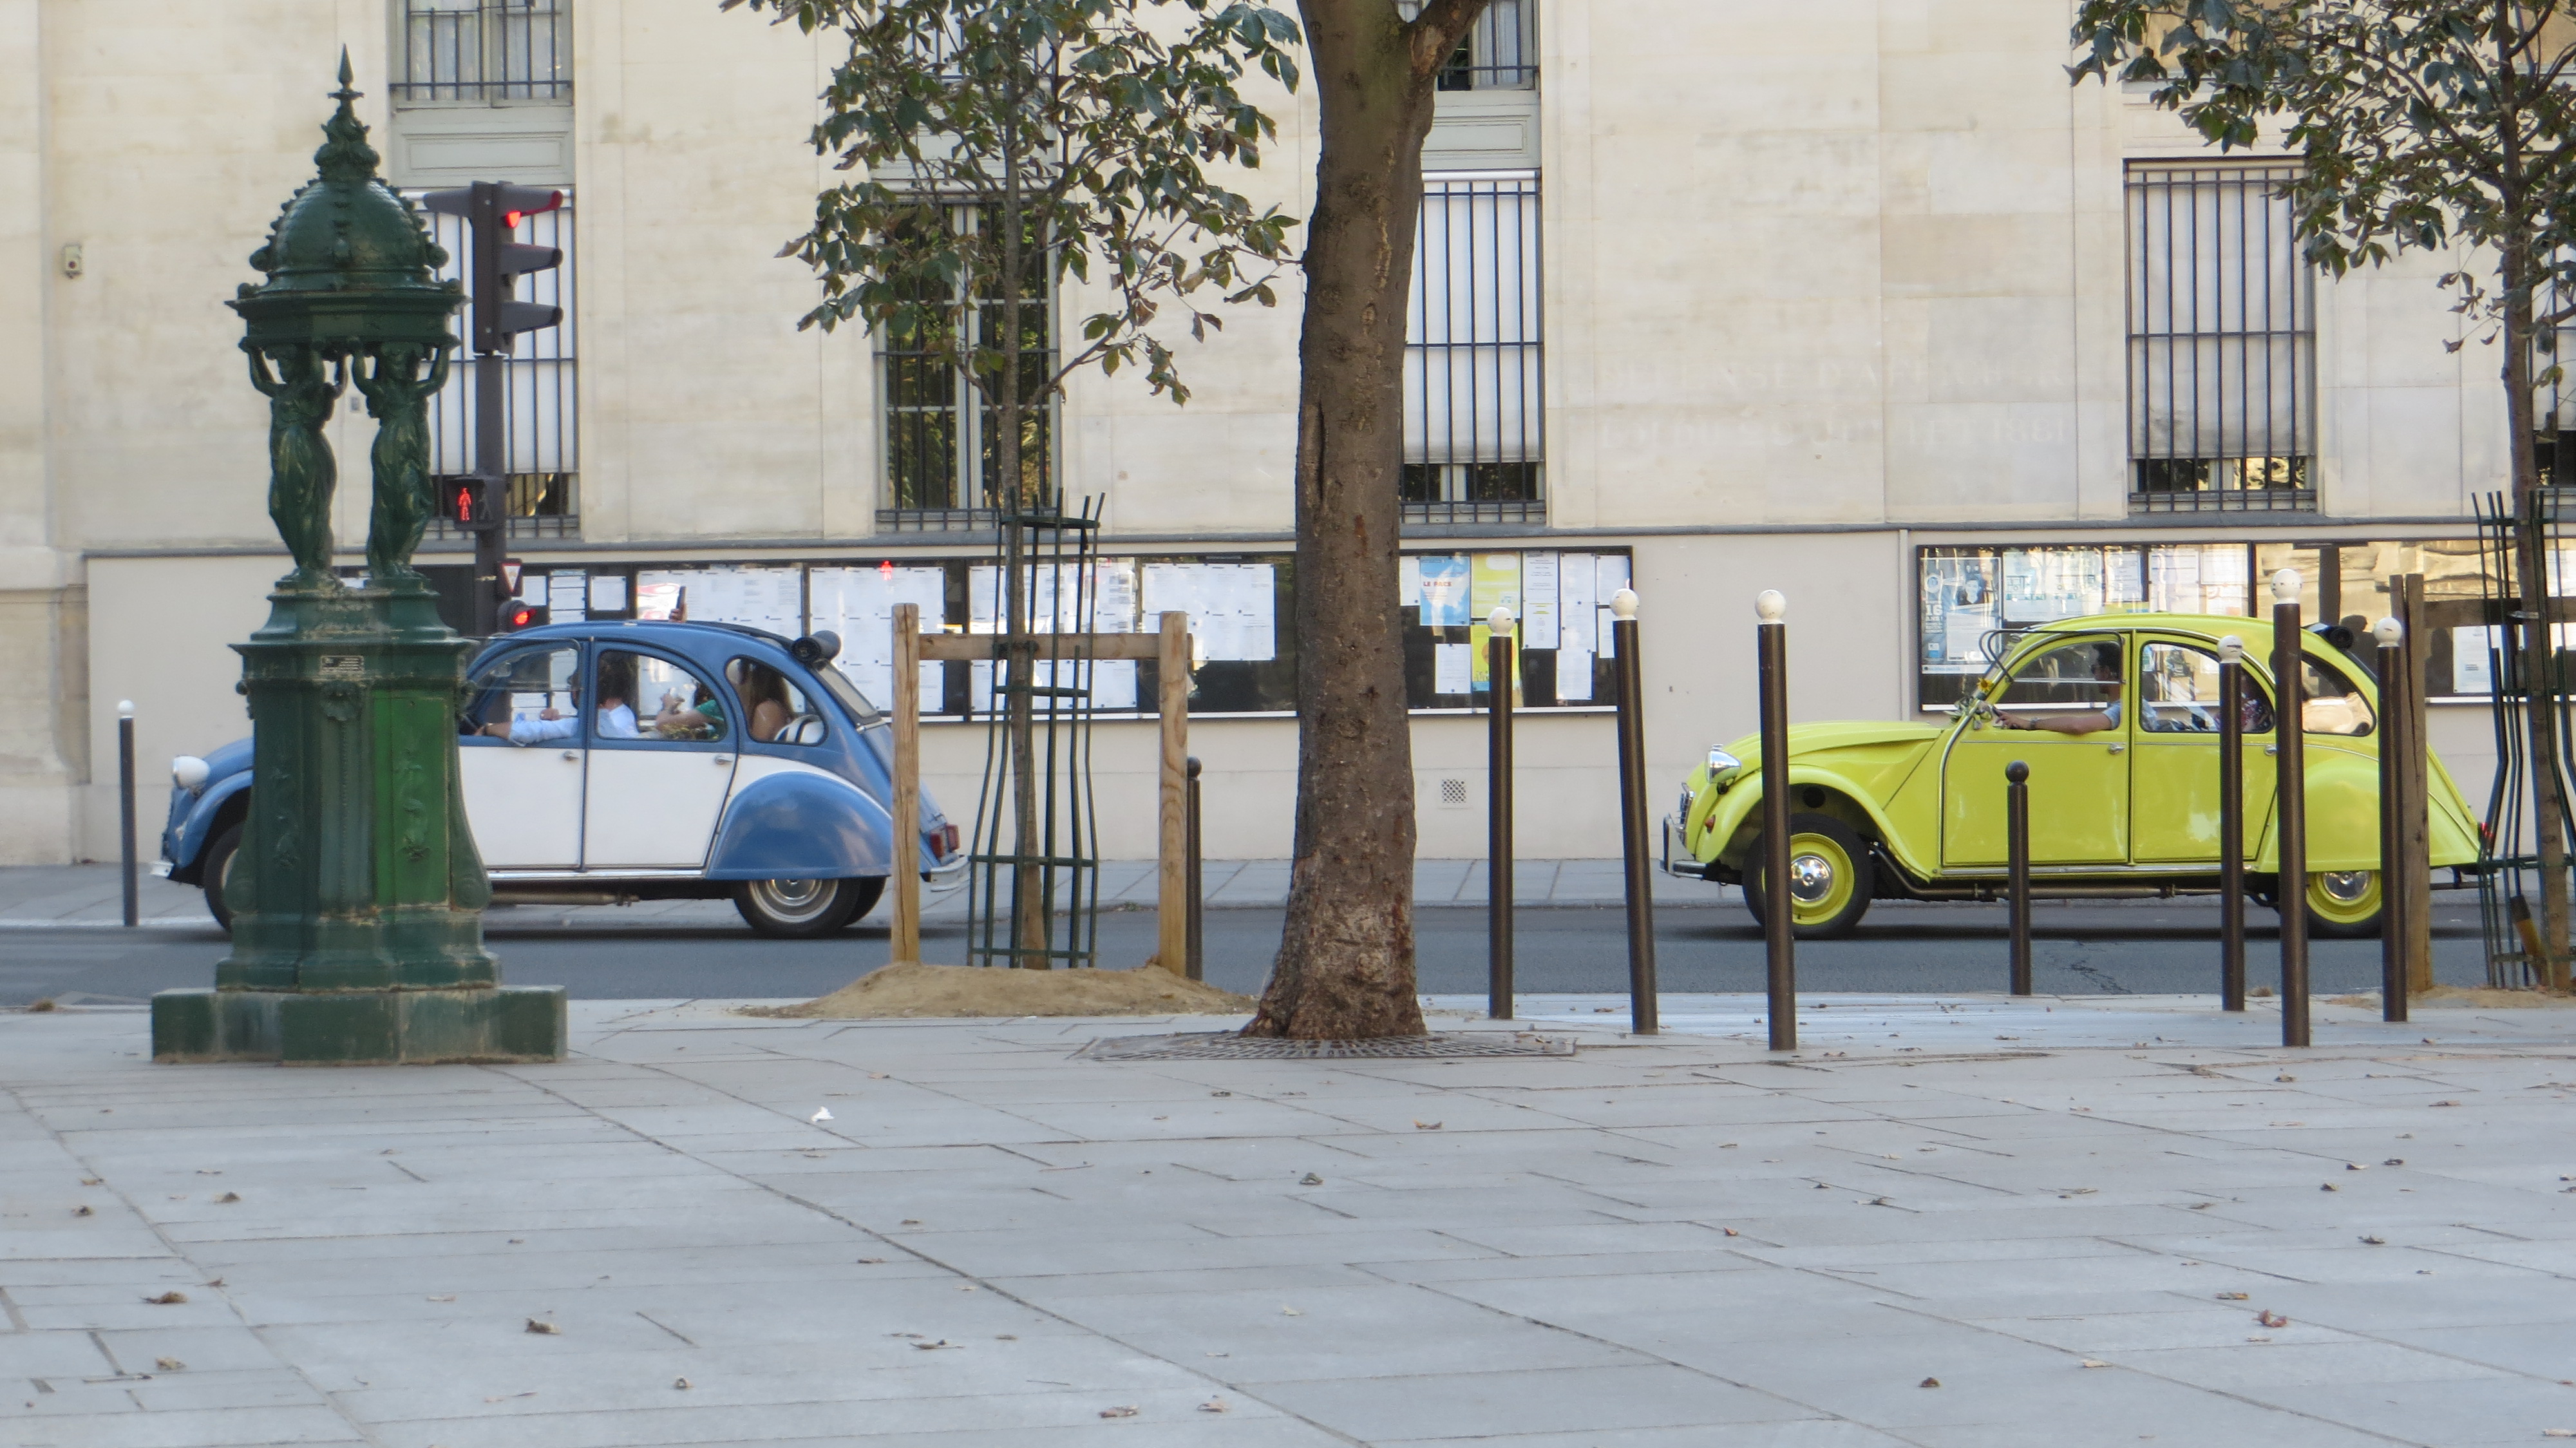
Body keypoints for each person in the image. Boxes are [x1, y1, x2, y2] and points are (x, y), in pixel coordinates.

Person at [1996, 641, 2123, 735]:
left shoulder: (2123, 708)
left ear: (2106, 672)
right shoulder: (2125, 706)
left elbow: (2077, 726)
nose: (2093, 675)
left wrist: (2030, 724)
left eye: (2093, 669)